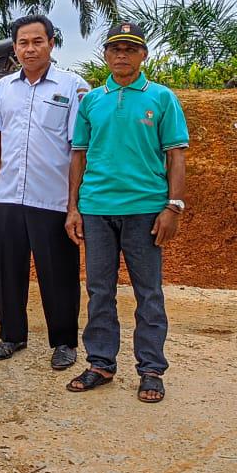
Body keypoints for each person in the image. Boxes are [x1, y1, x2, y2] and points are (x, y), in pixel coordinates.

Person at [65, 22, 188, 404]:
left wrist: (173, 206)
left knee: (148, 292)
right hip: (97, 209)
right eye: (115, 48)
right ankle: (100, 363)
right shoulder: (92, 101)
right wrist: (74, 207)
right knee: (99, 290)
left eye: (130, 49)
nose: (122, 55)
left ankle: (151, 369)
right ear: (106, 55)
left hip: (145, 210)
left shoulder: (161, 98)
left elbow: (176, 155)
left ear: (143, 55)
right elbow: (79, 156)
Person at [0, 15, 90, 368]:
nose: (30, 49)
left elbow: (78, 148)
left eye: (37, 42)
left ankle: (64, 342)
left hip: (53, 197)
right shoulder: (3, 89)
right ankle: (11, 335)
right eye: (23, 43)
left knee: (58, 272)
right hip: (11, 195)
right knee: (8, 270)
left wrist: (74, 202)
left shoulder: (73, 87)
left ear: (51, 44)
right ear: (14, 48)